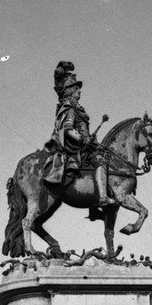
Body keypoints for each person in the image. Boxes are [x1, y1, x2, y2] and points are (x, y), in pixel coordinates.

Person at [43, 61, 111, 206]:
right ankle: (103, 197)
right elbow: (67, 128)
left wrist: (91, 140)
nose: (80, 91)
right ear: (71, 92)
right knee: (101, 161)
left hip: (83, 144)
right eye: (77, 89)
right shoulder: (71, 109)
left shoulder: (77, 109)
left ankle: (94, 205)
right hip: (76, 147)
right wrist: (83, 139)